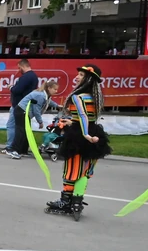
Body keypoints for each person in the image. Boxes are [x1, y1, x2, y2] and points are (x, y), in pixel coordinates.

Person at [45, 65, 111, 219]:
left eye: (80, 75)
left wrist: (85, 133)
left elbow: (82, 116)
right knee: (85, 170)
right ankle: (77, 201)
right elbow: (87, 117)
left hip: (80, 135)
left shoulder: (78, 97)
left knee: (72, 169)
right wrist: (72, 123)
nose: (76, 77)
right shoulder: (96, 97)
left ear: (88, 79)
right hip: (95, 133)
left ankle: (65, 202)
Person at [8, 80, 60, 159]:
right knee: (21, 131)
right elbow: (36, 110)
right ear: (49, 88)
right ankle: (13, 150)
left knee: (26, 131)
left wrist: (57, 106)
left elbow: (49, 102)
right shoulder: (41, 96)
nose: (56, 91)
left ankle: (23, 150)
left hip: (25, 112)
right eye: (55, 89)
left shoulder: (45, 96)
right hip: (21, 111)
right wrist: (40, 122)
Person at [2, 59, 38, 153]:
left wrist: (11, 87)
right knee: (23, 127)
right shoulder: (34, 76)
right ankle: (22, 148)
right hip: (25, 105)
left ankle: (11, 146)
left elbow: (17, 90)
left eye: (19, 68)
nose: (18, 70)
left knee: (12, 126)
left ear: (23, 66)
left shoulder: (26, 77)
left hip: (19, 105)